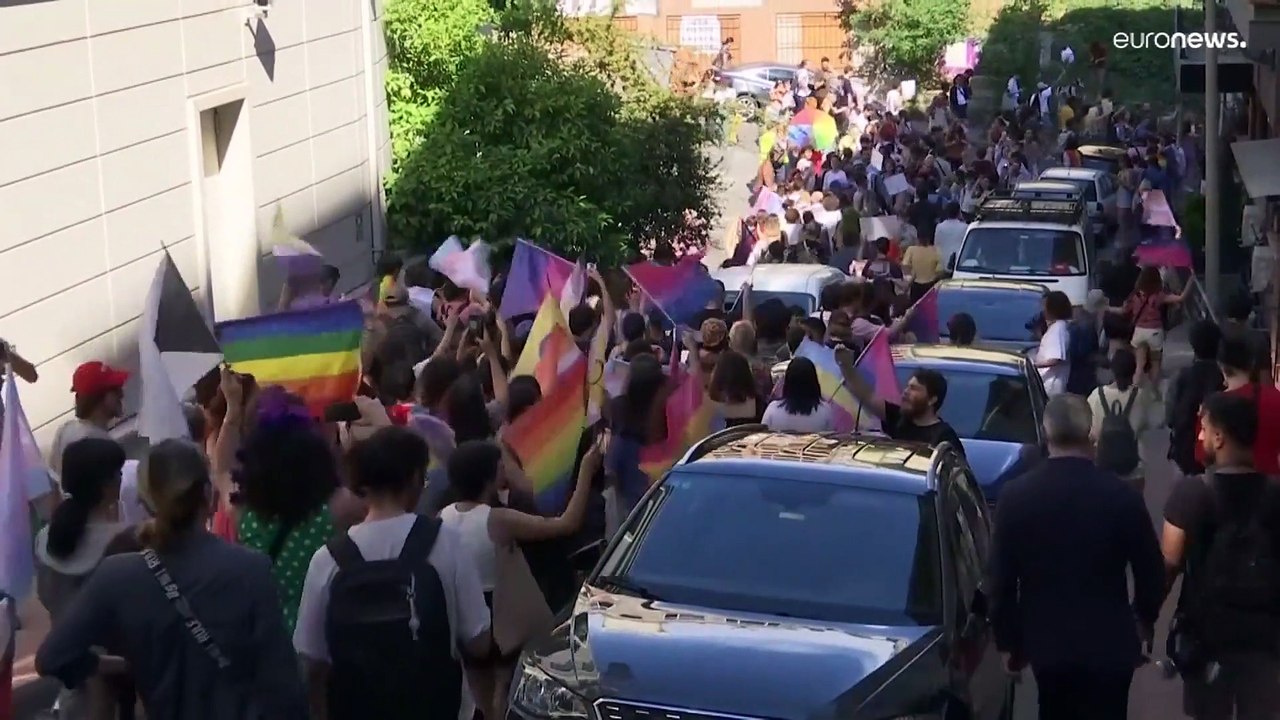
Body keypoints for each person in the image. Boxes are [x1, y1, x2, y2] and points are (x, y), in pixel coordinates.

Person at [36, 439, 308, 719]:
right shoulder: (251, 568)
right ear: (207, 493)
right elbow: (285, 687)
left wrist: (115, 664)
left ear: (145, 502)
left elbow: (52, 657)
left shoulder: (115, 575)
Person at [294, 426, 490, 720]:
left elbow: (311, 662)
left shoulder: (329, 559)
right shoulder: (446, 541)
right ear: (413, 478)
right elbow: (479, 642)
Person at [990, 394, 1164, 720]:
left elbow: (1000, 579)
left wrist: (1009, 641)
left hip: (1048, 644)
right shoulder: (1122, 496)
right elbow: (1150, 570)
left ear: (1045, 430)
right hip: (1110, 642)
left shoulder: (1016, 497)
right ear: (1090, 432)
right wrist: (1144, 619)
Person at [442, 439, 598, 720]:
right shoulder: (497, 520)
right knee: (502, 692)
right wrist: (585, 471)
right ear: (489, 477)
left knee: (479, 692)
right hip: (499, 617)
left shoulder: (444, 517)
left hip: (462, 611)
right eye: (501, 467)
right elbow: (566, 524)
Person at [1162, 392, 1280, 719]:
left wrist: (1144, 619)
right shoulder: (1275, 494)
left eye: (1204, 428)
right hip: (1264, 638)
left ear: (1220, 437)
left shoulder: (1192, 493)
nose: (1199, 436)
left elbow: (1168, 566)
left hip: (1207, 637)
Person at [35, 438, 128, 719]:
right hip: (119, 673)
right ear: (106, 485)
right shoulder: (123, 543)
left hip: (72, 676)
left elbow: (46, 597)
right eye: (119, 473)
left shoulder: (45, 540)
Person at [836, 349, 964, 450]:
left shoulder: (944, 437)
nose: (906, 392)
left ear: (932, 400)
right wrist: (846, 366)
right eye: (907, 387)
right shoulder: (899, 420)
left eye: (914, 389)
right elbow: (867, 396)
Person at [1192, 330, 1280, 476]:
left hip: (1228, 487)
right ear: (1252, 363)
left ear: (1220, 365)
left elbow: (1202, 455)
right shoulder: (1275, 398)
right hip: (1271, 486)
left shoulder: (1212, 408)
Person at [1088, 348, 1158, 494]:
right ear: (1134, 370)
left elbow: (1091, 431)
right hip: (1134, 464)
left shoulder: (1096, 395)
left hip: (1103, 463)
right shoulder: (1142, 396)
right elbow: (1155, 421)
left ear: (1112, 370)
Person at [49, 361, 129, 478]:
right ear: (97, 398)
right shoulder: (101, 446)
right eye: (115, 390)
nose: (121, 394)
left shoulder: (65, 430)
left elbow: (53, 481)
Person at [1166, 320, 1225, 476]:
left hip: (1185, 450)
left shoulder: (1181, 377)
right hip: (1218, 453)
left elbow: (1170, 417)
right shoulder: (1224, 377)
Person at [762, 358, 834, 432]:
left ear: (787, 380)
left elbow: (762, 434)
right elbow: (831, 437)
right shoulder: (825, 411)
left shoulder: (773, 409)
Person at [1034, 291, 1073, 396]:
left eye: (1045, 306)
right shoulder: (1057, 327)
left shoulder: (1059, 328)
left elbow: (1055, 359)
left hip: (1051, 386)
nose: (1043, 310)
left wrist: (1033, 366)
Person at [934, 201, 968, 272]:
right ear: (959, 212)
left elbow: (936, 244)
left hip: (943, 260)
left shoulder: (940, 227)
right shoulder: (965, 227)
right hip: (960, 261)